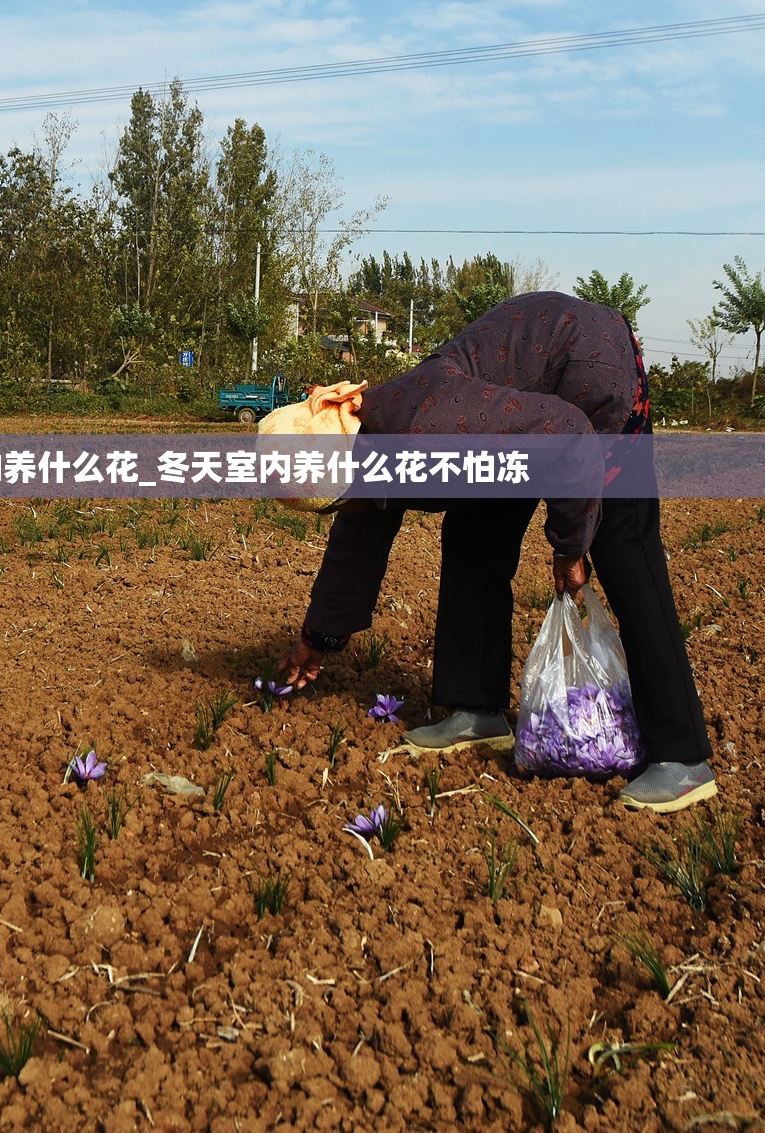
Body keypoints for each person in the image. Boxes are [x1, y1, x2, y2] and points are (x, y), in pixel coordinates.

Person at [274, 292, 716, 813]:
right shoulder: (369, 439)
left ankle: (682, 757)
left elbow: (569, 434)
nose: (342, 507)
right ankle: (474, 709)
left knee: (624, 545)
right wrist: (317, 638)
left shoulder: (423, 425)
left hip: (591, 369)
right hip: (523, 404)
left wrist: (569, 547)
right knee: (476, 532)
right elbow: (358, 541)